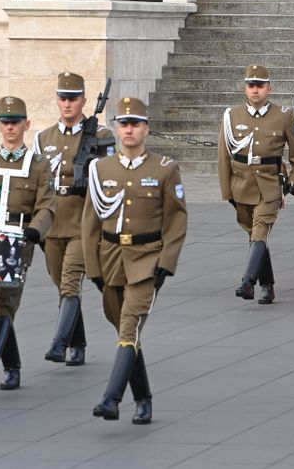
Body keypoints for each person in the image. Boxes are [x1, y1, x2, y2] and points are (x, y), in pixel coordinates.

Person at [83, 97, 187, 424]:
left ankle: (111, 398)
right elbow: (90, 223)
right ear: (116, 128)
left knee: (129, 327)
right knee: (126, 332)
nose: (129, 129)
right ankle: (144, 398)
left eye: (135, 124)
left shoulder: (164, 169)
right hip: (110, 258)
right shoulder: (101, 169)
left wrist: (165, 265)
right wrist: (93, 268)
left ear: (147, 129)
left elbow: (176, 221)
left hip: (146, 260)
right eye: (124, 123)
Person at [0, 96, 56, 390]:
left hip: (18, 241)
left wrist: (36, 230)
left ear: (26, 125)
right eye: (5, 122)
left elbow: (47, 205)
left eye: (15, 122)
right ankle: (14, 366)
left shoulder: (39, 165)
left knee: (5, 301)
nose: (10, 127)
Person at [33, 72, 115, 367]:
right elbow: (38, 184)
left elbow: (110, 177)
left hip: (83, 221)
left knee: (70, 282)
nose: (67, 104)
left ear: (83, 100)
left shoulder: (101, 135)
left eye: (73, 98)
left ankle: (60, 343)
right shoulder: (43, 139)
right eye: (63, 98)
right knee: (61, 285)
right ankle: (78, 343)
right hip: (54, 222)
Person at [218, 65, 294, 305]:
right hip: (241, 186)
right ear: (246, 88)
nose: (255, 90)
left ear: (269, 88)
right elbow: (223, 158)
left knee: (260, 231)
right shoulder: (231, 116)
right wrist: (228, 192)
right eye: (251, 86)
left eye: (260, 86)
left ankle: (248, 282)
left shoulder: (283, 116)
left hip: (270, 186)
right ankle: (268, 285)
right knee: (254, 235)